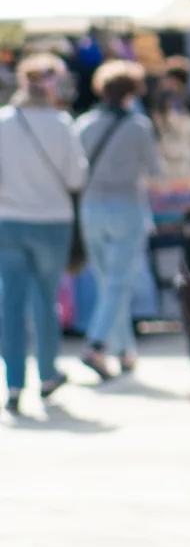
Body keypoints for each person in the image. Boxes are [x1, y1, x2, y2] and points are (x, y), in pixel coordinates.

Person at [0, 54, 89, 413]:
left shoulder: (3, 123)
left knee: (11, 303)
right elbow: (76, 179)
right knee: (45, 299)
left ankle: (14, 382)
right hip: (52, 221)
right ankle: (48, 372)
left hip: (9, 220)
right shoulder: (62, 124)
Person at [77, 60, 163, 380]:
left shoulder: (84, 124)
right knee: (118, 282)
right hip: (127, 207)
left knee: (107, 282)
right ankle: (97, 344)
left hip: (91, 208)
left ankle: (124, 350)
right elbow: (155, 172)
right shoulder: (139, 127)